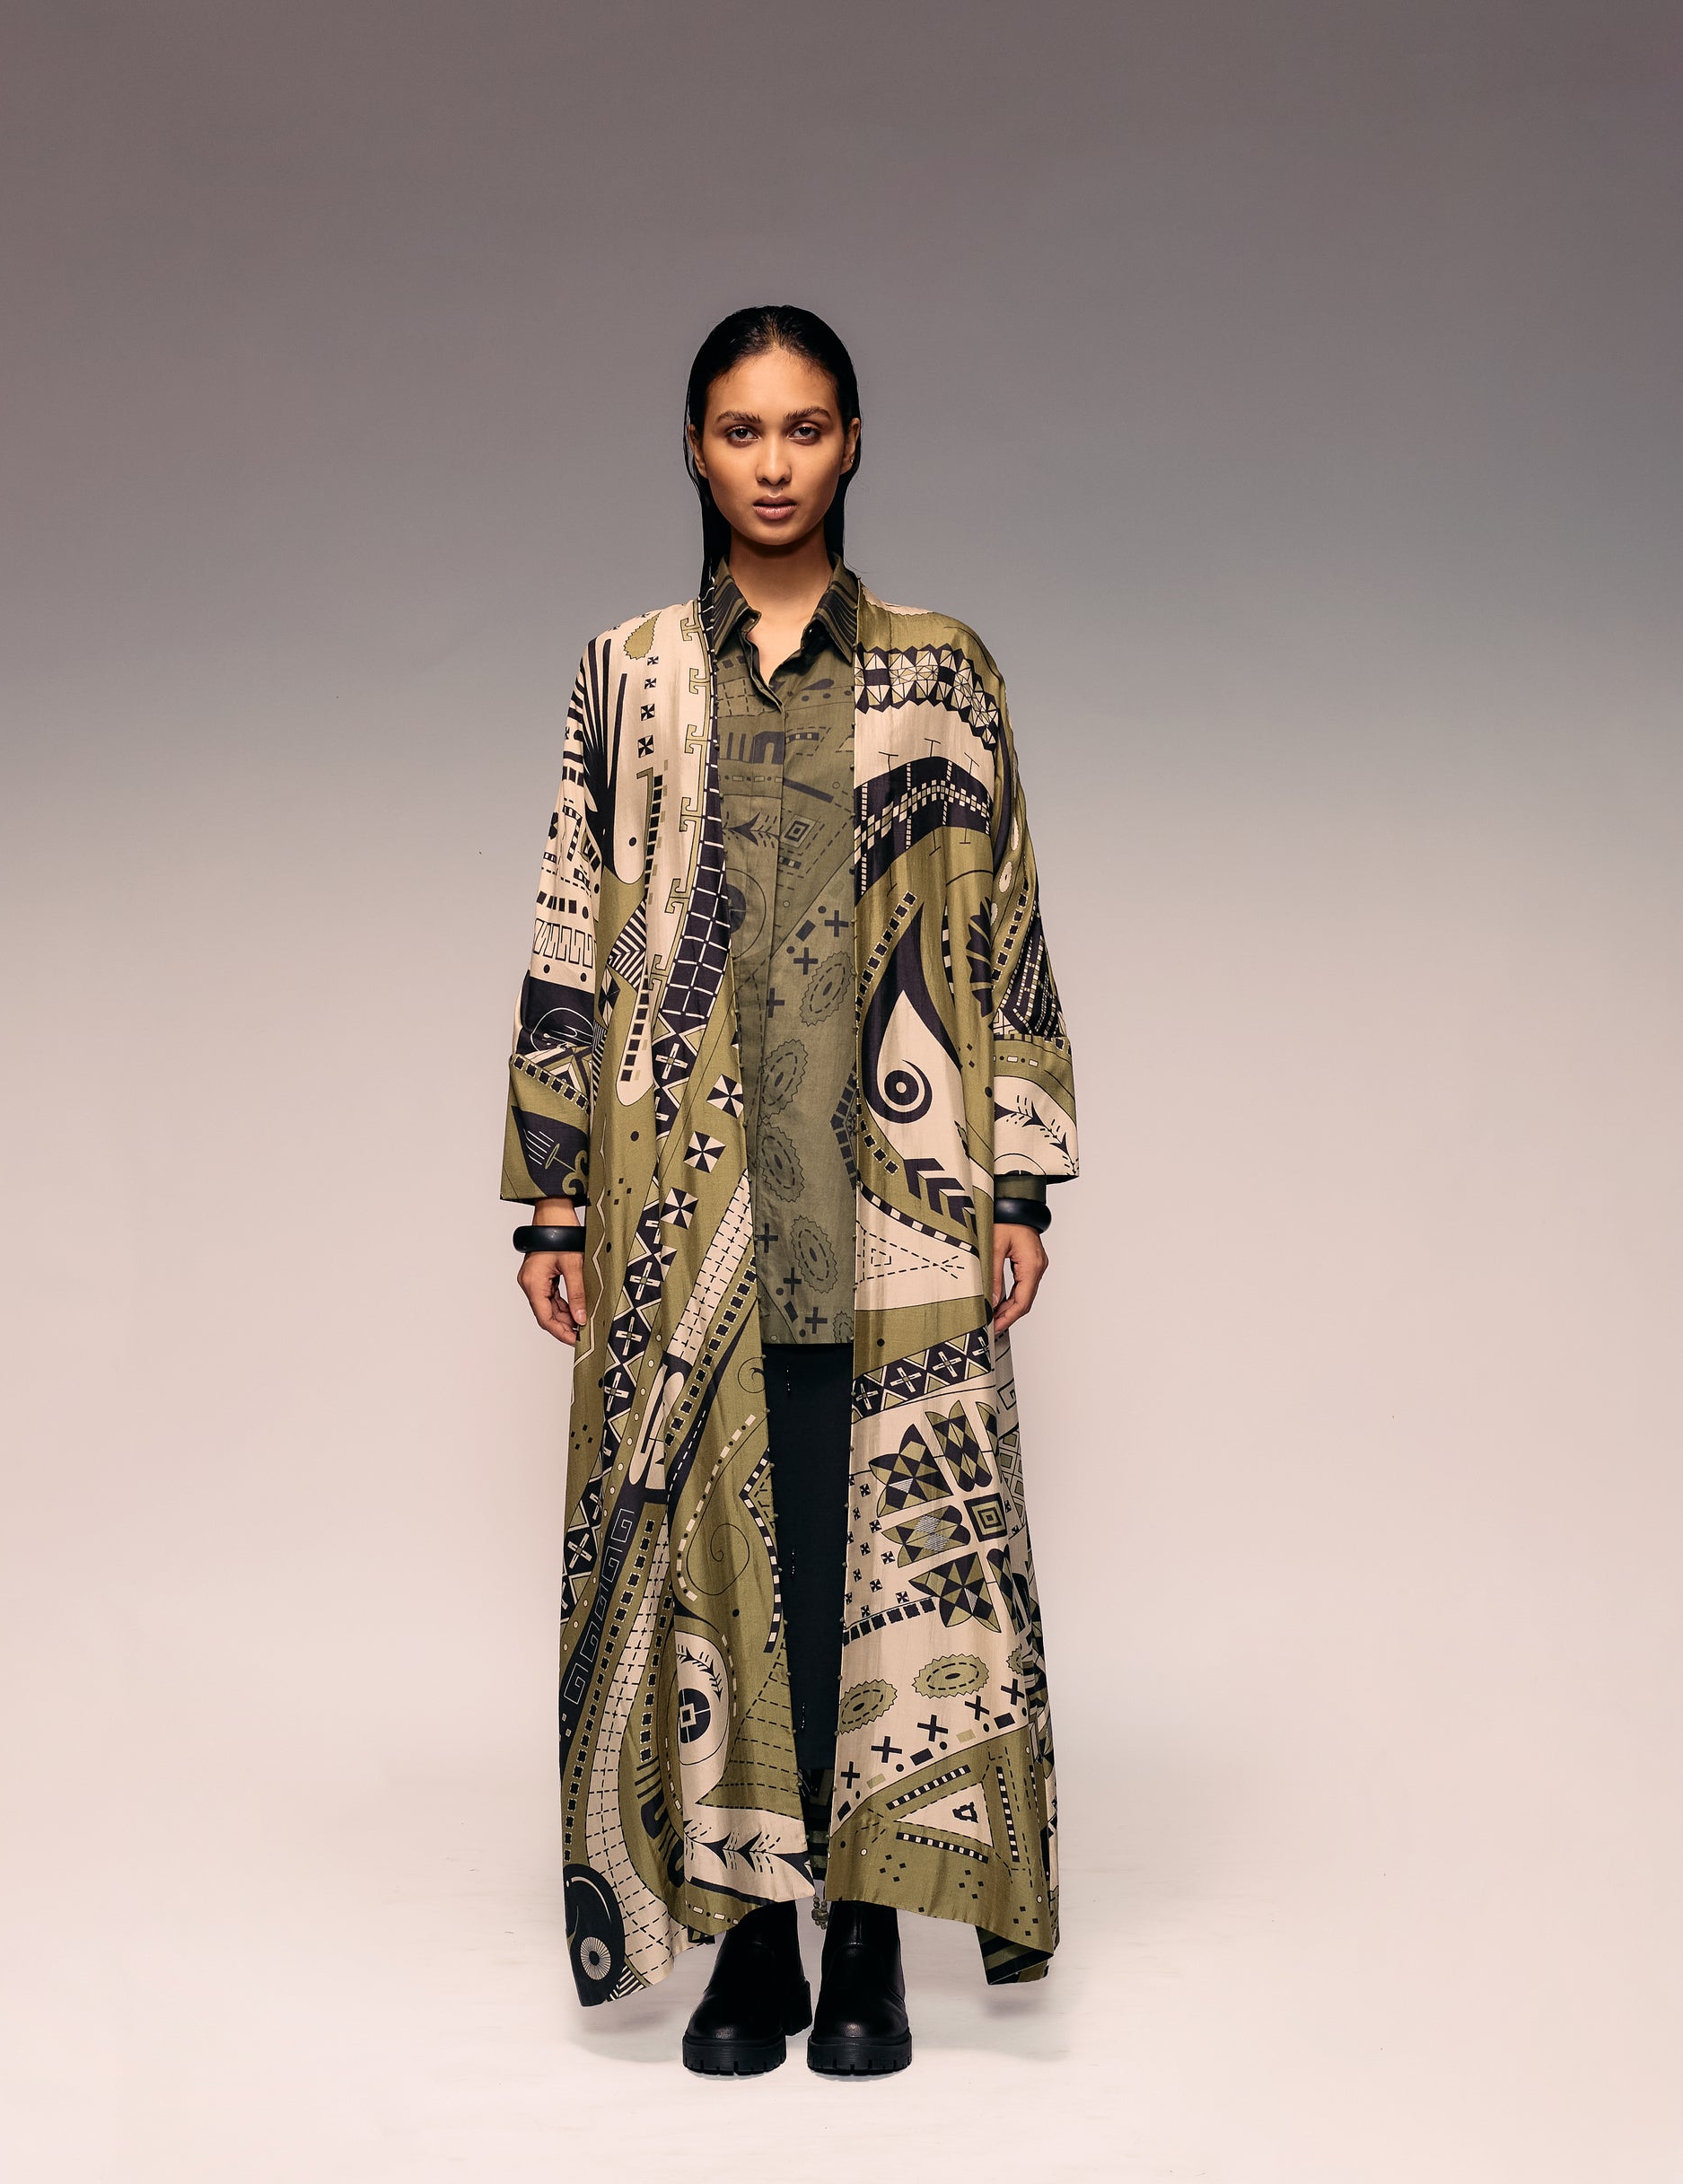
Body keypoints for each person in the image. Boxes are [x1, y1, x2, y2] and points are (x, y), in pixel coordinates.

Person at [502, 306, 1078, 2077]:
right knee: (713, 1567)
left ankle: (872, 1931)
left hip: (890, 1200)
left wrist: (1019, 1179)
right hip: (685, 1212)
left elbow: (1004, 917)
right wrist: (553, 1199)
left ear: (851, 444)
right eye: (741, 429)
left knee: (863, 1560)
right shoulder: (623, 675)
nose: (772, 462)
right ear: (693, 446)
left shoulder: (940, 669)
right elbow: (567, 933)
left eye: (805, 427)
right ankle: (749, 1935)